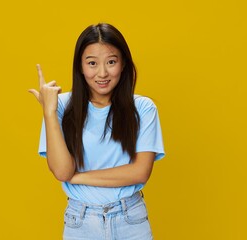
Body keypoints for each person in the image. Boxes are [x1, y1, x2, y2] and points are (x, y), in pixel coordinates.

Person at [29, 23, 165, 240]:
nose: (102, 73)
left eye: (111, 62)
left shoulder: (143, 108)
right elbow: (63, 172)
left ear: (123, 65)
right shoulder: (60, 105)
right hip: (81, 221)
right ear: (80, 67)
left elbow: (140, 172)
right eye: (92, 63)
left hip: (131, 219)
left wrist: (79, 177)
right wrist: (50, 112)